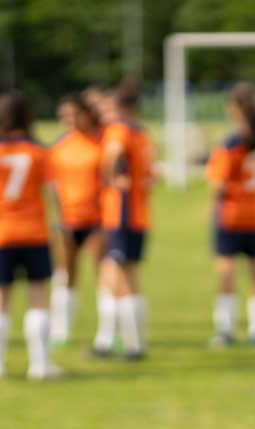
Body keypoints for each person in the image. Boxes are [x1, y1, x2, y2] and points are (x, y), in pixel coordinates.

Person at [0, 89, 60, 381]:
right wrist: (59, 225)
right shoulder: (39, 151)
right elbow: (52, 193)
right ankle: (40, 365)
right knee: (38, 295)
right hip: (34, 231)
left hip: (1, 232)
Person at [204, 83, 255, 347]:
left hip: (230, 214)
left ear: (234, 109)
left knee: (226, 271)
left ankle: (225, 329)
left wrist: (212, 206)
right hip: (253, 214)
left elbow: (218, 182)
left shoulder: (232, 144)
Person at [94, 77, 154, 360]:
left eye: (108, 109)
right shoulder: (142, 134)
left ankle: (131, 344)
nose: (104, 116)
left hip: (122, 212)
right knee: (120, 274)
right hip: (139, 213)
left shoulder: (118, 131)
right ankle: (116, 340)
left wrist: (106, 177)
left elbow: (113, 154)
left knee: (120, 275)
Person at [48, 92, 104, 347]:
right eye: (64, 116)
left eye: (73, 114)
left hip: (97, 220)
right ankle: (61, 330)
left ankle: (107, 332)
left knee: (103, 275)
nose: (68, 120)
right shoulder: (59, 148)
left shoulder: (99, 144)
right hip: (67, 221)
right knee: (66, 274)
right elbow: (52, 187)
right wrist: (58, 219)